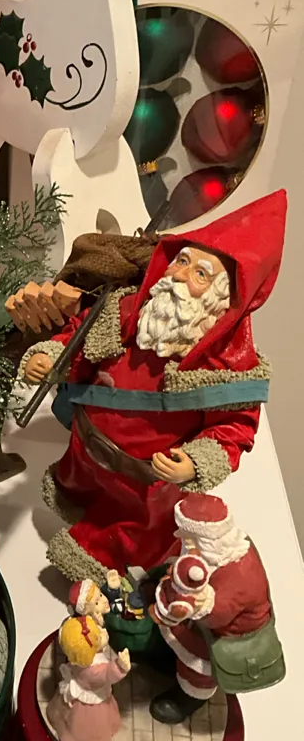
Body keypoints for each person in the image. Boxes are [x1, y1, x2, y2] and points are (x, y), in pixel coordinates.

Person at [20, 192, 285, 582]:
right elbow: (81, 339)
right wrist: (50, 356)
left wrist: (194, 463)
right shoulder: (128, 310)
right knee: (80, 494)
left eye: (200, 274)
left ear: (222, 298)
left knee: (128, 532)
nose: (180, 276)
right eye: (182, 261)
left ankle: (103, 562)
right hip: (87, 453)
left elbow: (233, 427)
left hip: (146, 484)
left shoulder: (229, 366)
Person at [150, 493, 277, 723]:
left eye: (188, 537)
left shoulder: (238, 575)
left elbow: (214, 615)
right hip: (205, 622)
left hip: (224, 636)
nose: (180, 538)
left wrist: (183, 600)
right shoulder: (213, 557)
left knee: (198, 668)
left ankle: (189, 699)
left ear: (206, 540)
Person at [46, 615, 130, 741]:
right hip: (90, 704)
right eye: (98, 637)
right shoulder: (93, 670)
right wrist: (120, 667)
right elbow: (107, 673)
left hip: (80, 682)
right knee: (89, 725)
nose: (103, 633)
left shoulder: (80, 657)